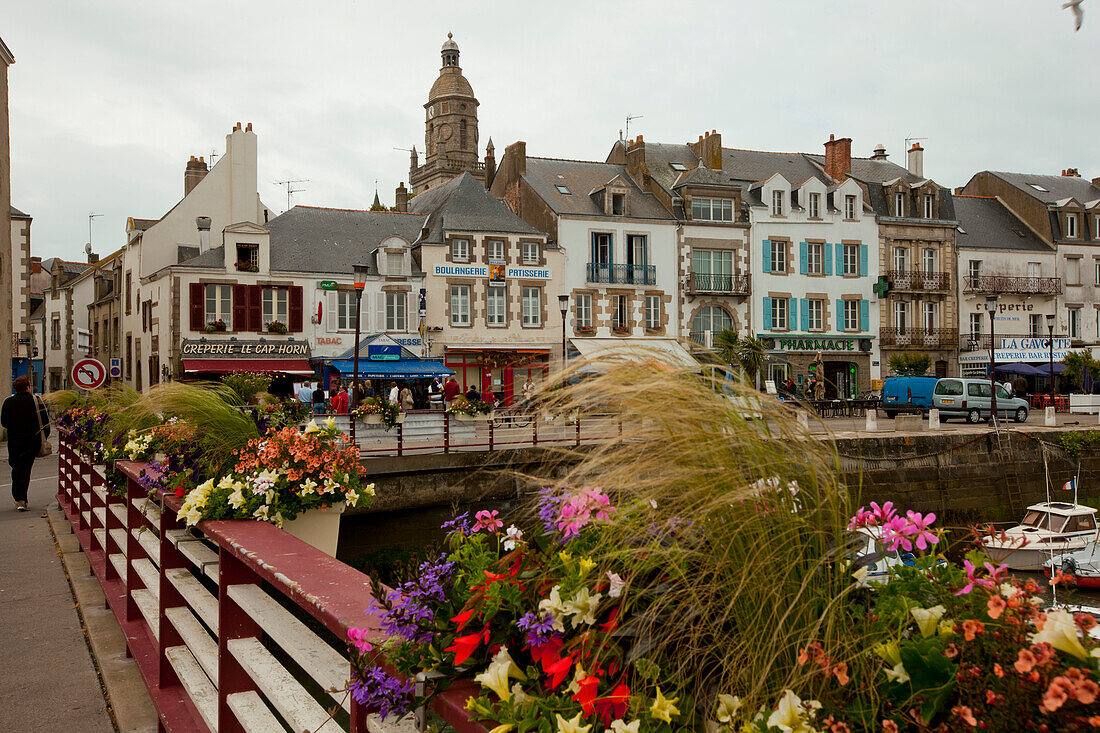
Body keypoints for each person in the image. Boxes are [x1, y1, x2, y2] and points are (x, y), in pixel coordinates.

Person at [1, 376, 51, 511]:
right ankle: (21, 498)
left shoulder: (8, 402)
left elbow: (4, 422)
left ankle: (19, 498)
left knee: (16, 468)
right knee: (25, 469)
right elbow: (45, 421)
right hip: (32, 441)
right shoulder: (36, 400)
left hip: (14, 442)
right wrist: (44, 437)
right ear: (28, 387)